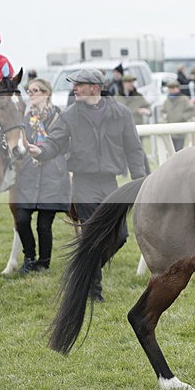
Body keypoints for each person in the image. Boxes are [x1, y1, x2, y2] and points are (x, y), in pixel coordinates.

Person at [28, 68, 148, 301]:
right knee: (93, 235)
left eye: (78, 84)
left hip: (111, 184)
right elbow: (55, 143)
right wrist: (40, 151)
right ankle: (94, 291)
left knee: (120, 235)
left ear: (95, 88)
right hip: (83, 183)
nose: (74, 88)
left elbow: (134, 149)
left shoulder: (121, 113)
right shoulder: (70, 115)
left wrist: (140, 180)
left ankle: (84, 271)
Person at [14, 78, 71, 274]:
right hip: (30, 173)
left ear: (46, 93)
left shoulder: (59, 117)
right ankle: (29, 257)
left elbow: (62, 145)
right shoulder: (25, 118)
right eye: (29, 91)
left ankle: (43, 262)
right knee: (21, 219)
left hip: (52, 174)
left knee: (43, 225)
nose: (31, 94)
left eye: (35, 90)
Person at [161, 80, 195, 151]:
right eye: (170, 88)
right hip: (170, 130)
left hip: (181, 130)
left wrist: (183, 117)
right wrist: (164, 116)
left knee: (179, 150)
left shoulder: (184, 99)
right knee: (171, 150)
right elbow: (163, 111)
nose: (172, 90)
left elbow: (191, 111)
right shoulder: (166, 101)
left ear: (178, 88)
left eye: (173, 88)